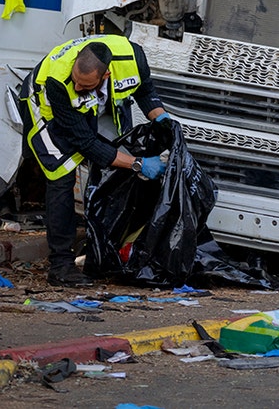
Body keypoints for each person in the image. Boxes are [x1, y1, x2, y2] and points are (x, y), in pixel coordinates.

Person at [18, 34, 170, 287]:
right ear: (75, 63)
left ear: (106, 75)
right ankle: (61, 266)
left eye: (86, 84)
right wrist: (138, 164)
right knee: (60, 175)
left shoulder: (133, 58)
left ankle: (101, 252)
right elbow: (85, 143)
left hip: (86, 108)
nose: (78, 87)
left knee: (112, 165)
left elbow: (144, 90)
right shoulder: (58, 80)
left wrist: (162, 119)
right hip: (43, 107)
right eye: (76, 81)